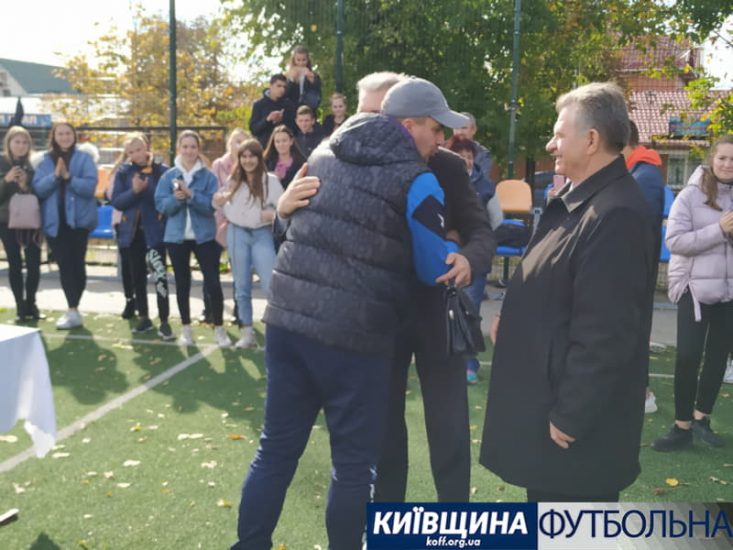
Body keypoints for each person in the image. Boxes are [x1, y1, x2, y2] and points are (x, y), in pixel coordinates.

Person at [233, 77, 472, 550]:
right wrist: (452, 243)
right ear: (409, 125)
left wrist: (283, 214)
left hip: (287, 322)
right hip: (355, 336)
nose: (442, 139)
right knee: (353, 467)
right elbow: (432, 270)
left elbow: (292, 227)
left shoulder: (323, 153)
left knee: (274, 452)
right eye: (436, 129)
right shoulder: (419, 179)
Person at [275, 72, 495, 505]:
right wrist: (283, 211)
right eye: (368, 113)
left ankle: (456, 524)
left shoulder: (446, 164)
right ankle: (389, 525)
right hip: (377, 318)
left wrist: (469, 257)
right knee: (385, 431)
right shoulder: (334, 158)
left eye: (381, 113)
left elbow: (481, 230)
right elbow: (310, 237)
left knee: (448, 428)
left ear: (402, 118)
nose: (373, 124)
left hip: (437, 314)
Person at [480, 82, 656, 503]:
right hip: (551, 418)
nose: (550, 144)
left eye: (559, 134)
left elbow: (606, 332)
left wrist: (571, 415)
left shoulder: (616, 214)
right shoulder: (586, 200)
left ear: (591, 140)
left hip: (575, 442)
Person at [652, 135, 733, 452]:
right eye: (723, 158)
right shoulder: (690, 195)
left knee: (718, 357)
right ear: (712, 160)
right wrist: (719, 230)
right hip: (694, 289)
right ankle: (681, 426)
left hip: (729, 291)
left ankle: (702, 419)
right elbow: (675, 242)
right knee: (687, 356)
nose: (728, 164)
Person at [154, 130, 231, 348]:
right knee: (182, 283)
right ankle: (186, 328)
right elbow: (161, 205)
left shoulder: (208, 176)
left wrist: (191, 194)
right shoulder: (168, 176)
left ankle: (219, 328)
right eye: (185, 146)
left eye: (193, 147)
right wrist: (176, 199)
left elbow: (210, 207)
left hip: (204, 237)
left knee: (213, 283)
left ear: (199, 149)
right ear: (179, 148)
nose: (189, 151)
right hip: (176, 238)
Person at [213, 139, 282, 349]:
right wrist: (219, 201)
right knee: (241, 286)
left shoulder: (271, 181)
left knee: (270, 284)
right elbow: (220, 203)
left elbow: (284, 210)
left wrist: (272, 215)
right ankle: (247, 332)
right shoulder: (234, 180)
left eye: (252, 156)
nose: (248, 160)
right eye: (244, 156)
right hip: (237, 233)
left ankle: (276, 331)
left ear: (259, 158)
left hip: (261, 234)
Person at [32, 122, 98, 330]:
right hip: (54, 222)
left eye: (68, 133)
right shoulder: (44, 160)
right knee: (65, 265)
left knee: (77, 264)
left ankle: (74, 308)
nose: (64, 137)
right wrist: (55, 176)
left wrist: (69, 178)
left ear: (74, 135)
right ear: (54, 136)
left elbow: (89, 187)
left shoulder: (84, 158)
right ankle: (72, 309)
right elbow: (38, 189)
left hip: (78, 221)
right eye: (60, 133)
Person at [111, 132, 173, 340]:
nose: (136, 154)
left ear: (147, 147)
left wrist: (145, 187)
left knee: (160, 277)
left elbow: (165, 200)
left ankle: (164, 320)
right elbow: (117, 201)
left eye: (138, 149)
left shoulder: (162, 170)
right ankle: (143, 317)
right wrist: (134, 191)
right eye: (131, 151)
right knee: (137, 278)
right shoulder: (123, 172)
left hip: (155, 233)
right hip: (132, 234)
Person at [623, 119, 666, 414]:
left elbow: (640, 231)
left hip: (634, 273)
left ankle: (642, 394)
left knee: (633, 332)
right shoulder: (637, 172)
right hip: (631, 271)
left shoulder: (645, 176)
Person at [447, 137, 494, 384]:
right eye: (460, 155)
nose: (465, 160)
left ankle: (470, 365)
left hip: (474, 261)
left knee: (470, 311)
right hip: (447, 258)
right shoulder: (440, 180)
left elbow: (495, 221)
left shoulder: (486, 187)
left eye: (469, 156)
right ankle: (448, 364)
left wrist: (477, 249)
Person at [0, 126, 42, 322]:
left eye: (25, 142)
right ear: (8, 143)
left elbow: (41, 194)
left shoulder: (34, 165)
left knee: (34, 264)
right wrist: (6, 180)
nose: (21, 146)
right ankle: (20, 306)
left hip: (31, 222)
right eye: (17, 142)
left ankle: (31, 302)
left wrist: (26, 185)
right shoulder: (1, 162)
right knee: (15, 264)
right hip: (6, 222)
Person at [211, 128, 250, 324]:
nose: (239, 145)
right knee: (211, 268)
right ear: (229, 144)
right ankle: (210, 309)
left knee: (240, 271)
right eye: (236, 141)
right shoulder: (218, 164)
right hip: (219, 222)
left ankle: (239, 311)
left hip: (241, 223)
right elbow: (215, 192)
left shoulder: (250, 165)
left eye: (243, 141)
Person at [250, 74, 297, 148]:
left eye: (284, 87)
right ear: (270, 86)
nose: (282, 89)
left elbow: (295, 129)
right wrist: (268, 120)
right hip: (265, 147)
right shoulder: (259, 105)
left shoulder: (289, 105)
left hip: (284, 147)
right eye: (279, 86)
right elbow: (254, 129)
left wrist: (282, 120)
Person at [264, 125, 306, 189]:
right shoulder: (266, 161)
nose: (281, 144)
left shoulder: (301, 163)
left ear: (291, 141)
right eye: (277, 142)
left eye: (284, 141)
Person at [453, 111, 492, 178]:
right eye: (456, 128)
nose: (459, 132)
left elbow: (481, 181)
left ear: (474, 130)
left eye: (464, 128)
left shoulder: (483, 154)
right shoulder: (443, 150)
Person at [284, 45, 322, 111]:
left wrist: (312, 81)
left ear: (308, 60)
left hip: (308, 110)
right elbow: (285, 94)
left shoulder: (314, 75)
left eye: (304, 60)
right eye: (298, 60)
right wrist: (292, 80)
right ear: (294, 60)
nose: (301, 63)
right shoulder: (287, 75)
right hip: (292, 110)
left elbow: (318, 96)